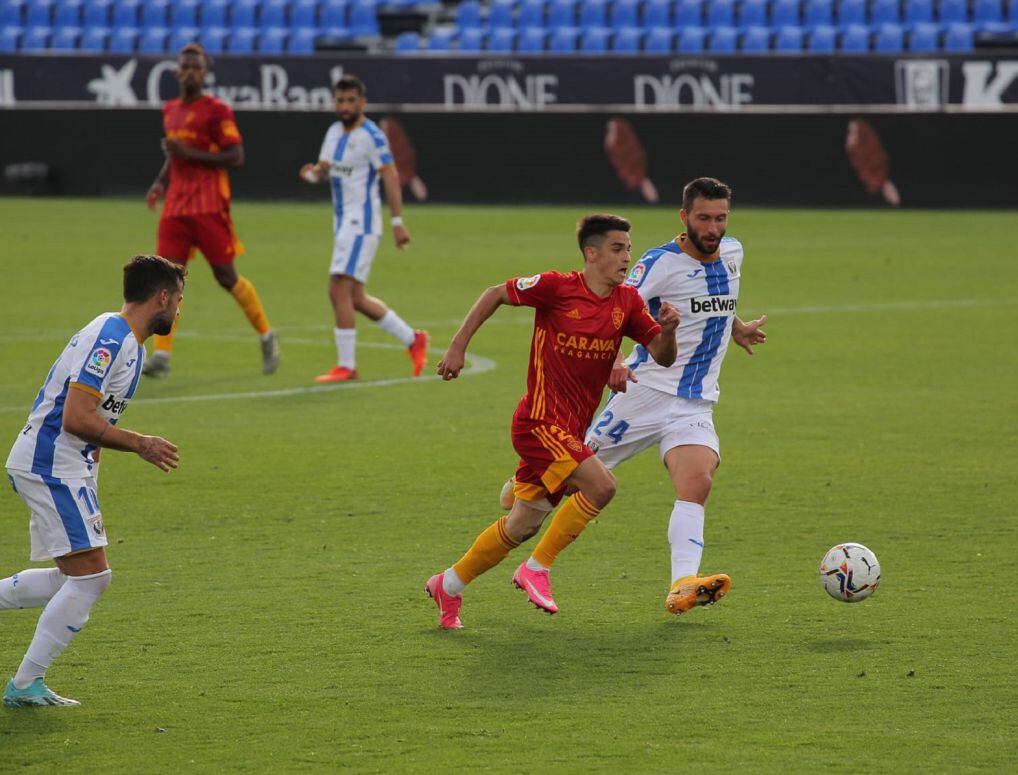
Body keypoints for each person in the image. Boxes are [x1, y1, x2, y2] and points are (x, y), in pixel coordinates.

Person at [526, 177, 768, 616]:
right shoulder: (658, 263)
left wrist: (738, 328)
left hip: (693, 403)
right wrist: (616, 358)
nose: (712, 228)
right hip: (643, 392)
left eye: (720, 218)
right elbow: (613, 306)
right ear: (684, 217)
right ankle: (522, 491)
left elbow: (718, 301)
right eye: (703, 218)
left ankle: (682, 584)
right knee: (557, 484)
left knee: (697, 482)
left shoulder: (733, 252)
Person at [425, 214, 680, 629]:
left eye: (629, 249)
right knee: (602, 486)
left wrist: (668, 331)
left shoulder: (628, 302)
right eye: (618, 249)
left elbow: (663, 355)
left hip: (569, 431)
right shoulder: (557, 287)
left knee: (523, 524)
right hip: (538, 422)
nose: (626, 257)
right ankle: (537, 569)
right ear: (591, 253)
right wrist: (457, 347)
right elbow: (495, 293)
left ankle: (448, 585)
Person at [3, 255, 184, 707]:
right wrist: (140, 443)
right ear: (161, 297)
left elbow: (93, 418)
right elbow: (77, 417)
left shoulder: (128, 342)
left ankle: (26, 684)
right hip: (50, 464)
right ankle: (25, 685)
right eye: (179, 300)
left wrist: (90, 475)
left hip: (63, 466)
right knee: (91, 579)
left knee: (75, 575)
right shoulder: (112, 339)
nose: (179, 311)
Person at [143, 42, 279, 378]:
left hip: (208, 205)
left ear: (205, 73)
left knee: (226, 276)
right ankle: (161, 356)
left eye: (196, 67)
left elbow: (236, 157)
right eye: (185, 66)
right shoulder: (170, 108)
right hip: (176, 206)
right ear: (177, 71)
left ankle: (266, 334)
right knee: (165, 277)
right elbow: (174, 155)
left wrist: (185, 151)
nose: (190, 72)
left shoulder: (217, 110)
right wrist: (161, 182)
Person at [299, 74, 428, 383]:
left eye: (350, 100)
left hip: (362, 223)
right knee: (355, 297)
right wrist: (312, 175)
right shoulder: (332, 133)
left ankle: (347, 365)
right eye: (340, 100)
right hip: (343, 223)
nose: (345, 106)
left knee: (337, 289)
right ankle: (413, 339)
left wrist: (398, 222)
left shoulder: (372, 135)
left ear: (362, 103)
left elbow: (391, 176)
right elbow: (325, 171)